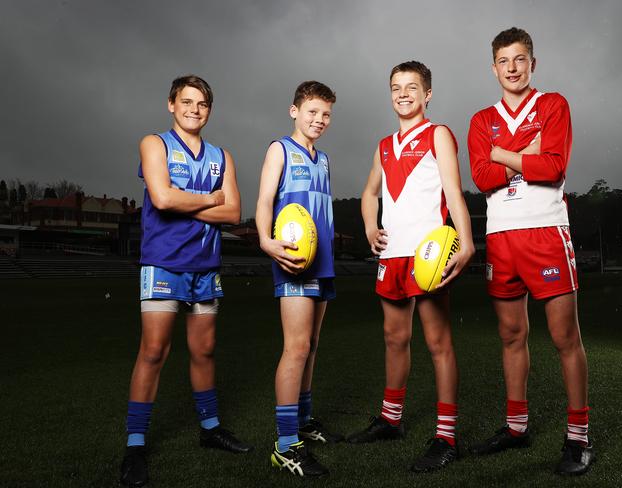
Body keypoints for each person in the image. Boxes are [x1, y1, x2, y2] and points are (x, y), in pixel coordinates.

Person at [467, 27, 594, 476]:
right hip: (502, 237)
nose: (513, 68)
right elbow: (482, 178)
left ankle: (578, 437)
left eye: (520, 59)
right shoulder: (483, 120)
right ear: (494, 67)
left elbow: (554, 165)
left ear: (533, 63)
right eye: (504, 61)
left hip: (545, 233)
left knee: (564, 338)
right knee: (511, 336)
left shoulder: (553, 105)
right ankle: (515, 426)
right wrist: (522, 153)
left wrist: (502, 154)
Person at [120, 75, 252, 488]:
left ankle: (210, 429)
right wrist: (210, 199)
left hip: (205, 267)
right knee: (154, 351)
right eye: (188, 102)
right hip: (163, 264)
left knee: (205, 350)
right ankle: (135, 445)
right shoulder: (154, 144)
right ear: (172, 105)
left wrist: (187, 201)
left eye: (203, 104)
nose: (195, 109)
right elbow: (161, 198)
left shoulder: (222, 156)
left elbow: (233, 214)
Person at [349, 61, 474, 473]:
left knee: (438, 342)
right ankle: (391, 420)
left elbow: (454, 193)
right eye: (396, 87)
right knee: (393, 337)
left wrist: (467, 240)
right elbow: (369, 194)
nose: (403, 94)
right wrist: (370, 227)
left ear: (427, 94)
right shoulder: (384, 145)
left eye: (412, 87)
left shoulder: (438, 134)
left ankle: (446, 436)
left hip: (428, 255)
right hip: (393, 254)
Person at [255, 81, 342, 478]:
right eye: (312, 112)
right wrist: (266, 241)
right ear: (294, 111)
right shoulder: (280, 149)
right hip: (293, 260)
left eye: (325, 114)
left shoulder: (323, 159)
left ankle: (303, 422)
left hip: (321, 260)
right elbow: (264, 201)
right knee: (297, 346)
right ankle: (285, 444)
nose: (319, 120)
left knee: (313, 344)